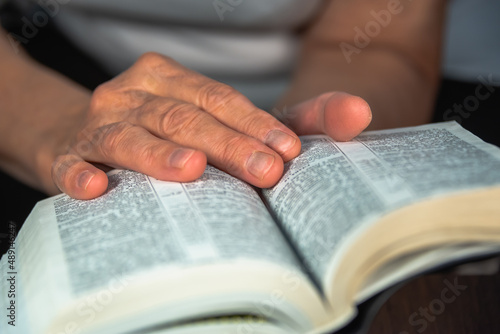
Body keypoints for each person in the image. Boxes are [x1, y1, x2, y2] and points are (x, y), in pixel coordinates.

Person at [0, 0, 499, 205]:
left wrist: (306, 135)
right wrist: (52, 125)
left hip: (351, 67)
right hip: (58, 62)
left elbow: (379, 38)